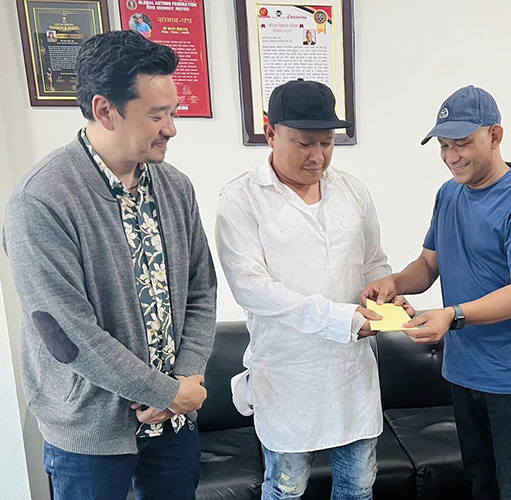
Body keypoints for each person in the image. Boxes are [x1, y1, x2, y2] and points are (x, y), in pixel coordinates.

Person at [3, 30, 217, 500]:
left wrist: (185, 379)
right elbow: (67, 333)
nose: (172, 128)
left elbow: (201, 289)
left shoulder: (175, 187)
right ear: (105, 110)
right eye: (157, 115)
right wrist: (165, 392)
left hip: (174, 422)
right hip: (91, 433)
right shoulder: (40, 200)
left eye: (174, 112)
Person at [216, 79, 411, 500]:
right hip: (288, 376)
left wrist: (384, 291)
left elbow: (373, 261)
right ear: (270, 132)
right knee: (287, 489)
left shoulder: (353, 191)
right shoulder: (242, 199)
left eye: (327, 143)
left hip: (351, 374)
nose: (317, 156)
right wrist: (341, 318)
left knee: (358, 487)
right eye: (304, 143)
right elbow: (251, 287)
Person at [361, 85, 511, 500]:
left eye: (462, 143)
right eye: (444, 146)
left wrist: (452, 315)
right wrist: (394, 282)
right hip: (464, 371)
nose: (452, 156)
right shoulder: (448, 194)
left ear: (495, 135)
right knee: (481, 485)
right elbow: (428, 264)